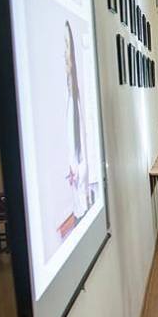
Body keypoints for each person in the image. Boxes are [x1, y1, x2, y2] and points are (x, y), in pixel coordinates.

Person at [63, 21, 90, 222]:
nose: (66, 57)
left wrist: (78, 171)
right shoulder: (68, 99)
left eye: (67, 48)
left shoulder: (77, 100)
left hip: (81, 181)